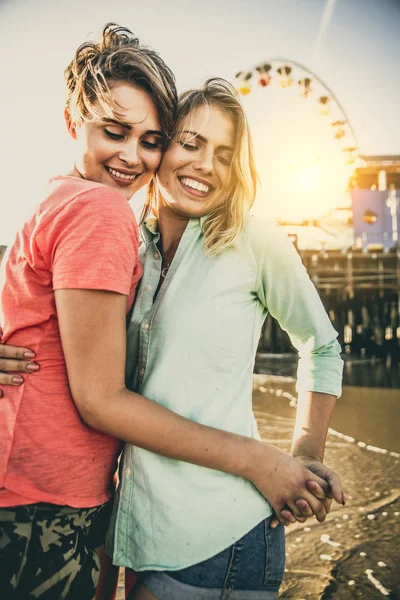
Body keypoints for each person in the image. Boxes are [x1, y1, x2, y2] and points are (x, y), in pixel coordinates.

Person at [0, 25, 341, 600]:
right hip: (134, 525)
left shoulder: (254, 241)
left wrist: (303, 453)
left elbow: (323, 343)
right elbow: (45, 308)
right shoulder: (128, 236)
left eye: (225, 154)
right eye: (189, 142)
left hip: (224, 530)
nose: (205, 164)